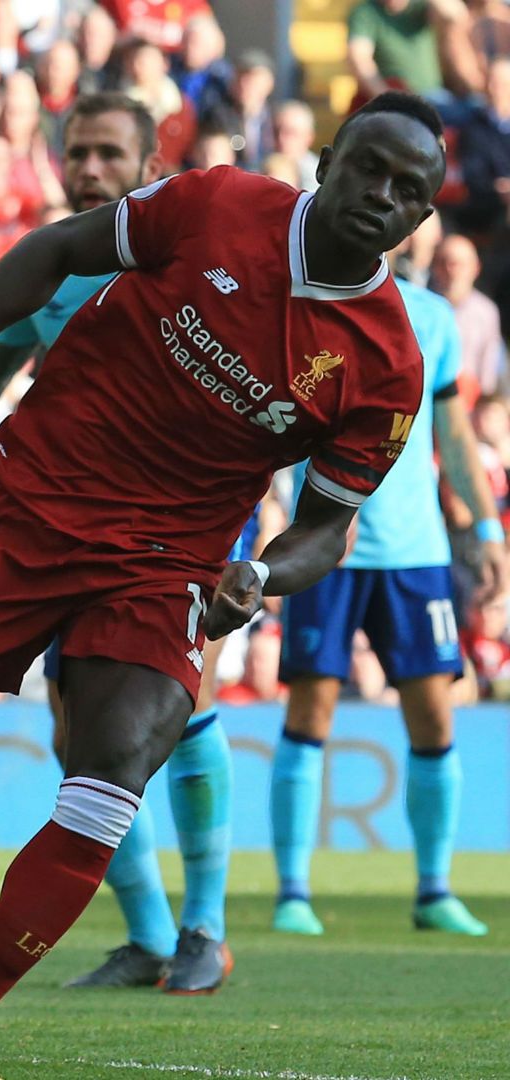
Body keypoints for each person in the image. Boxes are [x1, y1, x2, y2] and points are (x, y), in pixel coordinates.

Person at [0, 92, 446, 1079]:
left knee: (113, 774)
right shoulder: (219, 205)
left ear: (424, 217)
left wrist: (259, 575)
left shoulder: (386, 365)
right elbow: (52, 254)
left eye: (409, 190)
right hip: (31, 507)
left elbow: (326, 527)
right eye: (370, 170)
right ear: (329, 162)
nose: (383, 197)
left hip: (165, 563)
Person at [0, 93, 239, 995]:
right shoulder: (58, 263)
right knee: (79, 735)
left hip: (183, 530)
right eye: (78, 153)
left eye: (111, 154)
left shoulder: (194, 255)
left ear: (153, 166)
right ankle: (148, 936)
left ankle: (206, 931)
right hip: (70, 523)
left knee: (180, 715)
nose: (90, 170)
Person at [271, 238, 509, 939]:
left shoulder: (432, 316)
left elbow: (452, 433)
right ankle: (293, 891)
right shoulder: (307, 301)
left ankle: (434, 889)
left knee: (434, 718)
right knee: (311, 711)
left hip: (416, 550)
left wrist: (489, 531)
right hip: (325, 545)